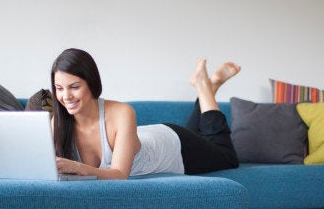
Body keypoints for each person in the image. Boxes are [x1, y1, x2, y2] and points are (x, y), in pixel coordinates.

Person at [51, 48, 240, 179]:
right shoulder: (56, 124)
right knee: (200, 135)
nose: (66, 96)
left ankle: (205, 88)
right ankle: (207, 88)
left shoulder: (121, 112)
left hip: (174, 147)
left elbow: (118, 175)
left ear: (92, 84)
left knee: (227, 156)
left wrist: (76, 167)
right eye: (59, 88)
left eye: (74, 87)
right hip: (152, 137)